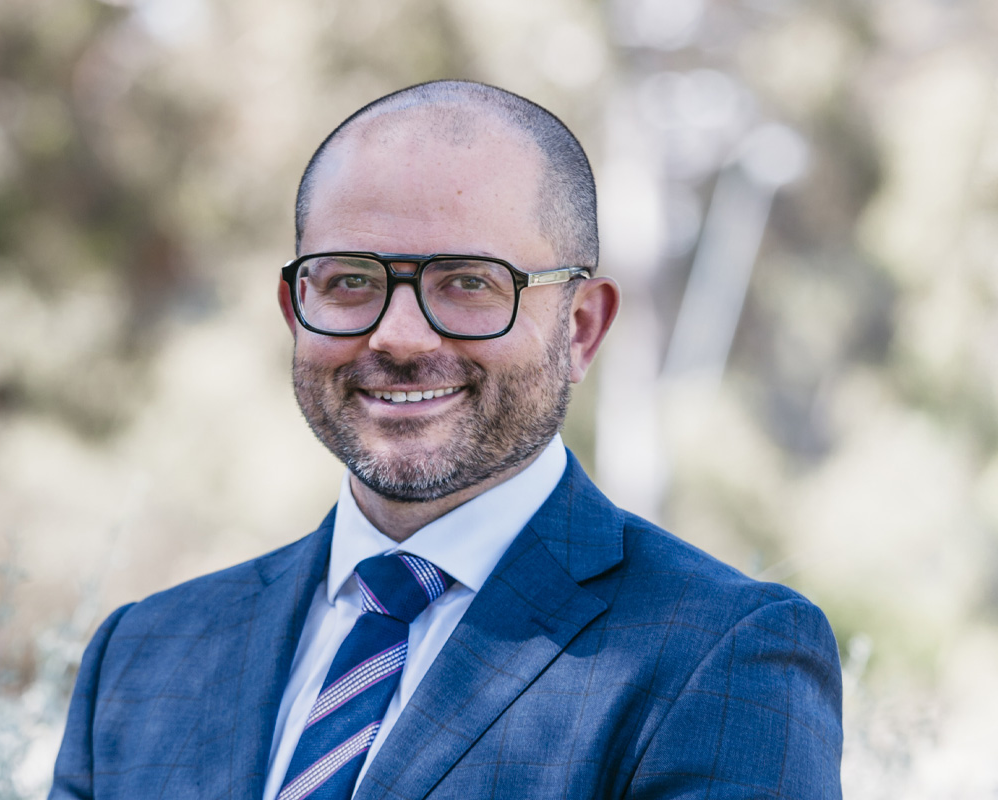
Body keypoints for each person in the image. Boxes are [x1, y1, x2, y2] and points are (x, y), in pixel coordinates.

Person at [49, 80, 842, 800]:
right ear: (296, 312)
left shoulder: (724, 657)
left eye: (467, 282)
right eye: (350, 280)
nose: (396, 336)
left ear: (581, 327)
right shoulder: (142, 655)